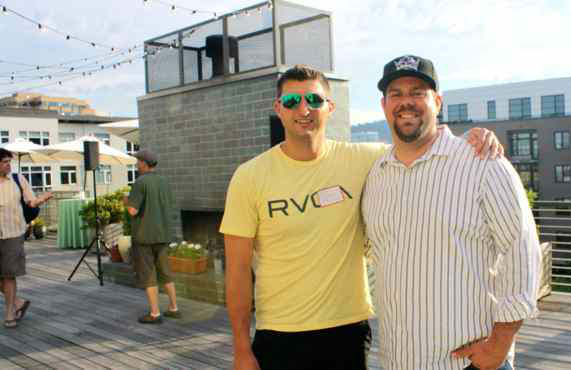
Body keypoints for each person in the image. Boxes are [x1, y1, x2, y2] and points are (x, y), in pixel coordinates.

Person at [219, 65, 503, 370]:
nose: (304, 109)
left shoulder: (364, 159)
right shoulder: (249, 177)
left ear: (330, 106)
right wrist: (240, 348)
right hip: (279, 332)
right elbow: (237, 271)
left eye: (314, 100)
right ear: (279, 108)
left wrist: (470, 139)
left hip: (348, 331)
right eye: (291, 101)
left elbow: (418, 144)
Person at [362, 55, 542, 370]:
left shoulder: (482, 162)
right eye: (396, 93)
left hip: (468, 362)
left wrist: (499, 345)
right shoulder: (375, 174)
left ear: (438, 101)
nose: (406, 102)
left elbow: (522, 250)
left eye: (417, 92)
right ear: (384, 105)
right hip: (397, 360)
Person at [124, 149, 180, 324]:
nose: (136, 164)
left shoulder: (140, 183)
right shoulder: (164, 182)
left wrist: (126, 202)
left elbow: (133, 211)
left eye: (137, 161)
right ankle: (173, 308)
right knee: (166, 272)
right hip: (163, 234)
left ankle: (155, 313)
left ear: (143, 163)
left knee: (148, 274)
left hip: (144, 237)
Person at [0, 148, 52, 328]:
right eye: (4, 161)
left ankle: (9, 313)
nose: (8, 165)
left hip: (12, 233)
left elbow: (31, 201)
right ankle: (18, 302)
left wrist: (42, 199)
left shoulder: (17, 179)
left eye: (9, 161)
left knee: (8, 275)